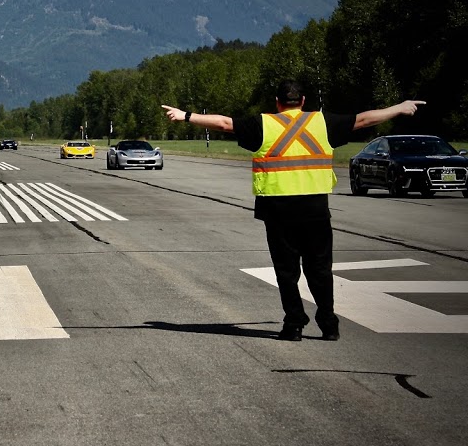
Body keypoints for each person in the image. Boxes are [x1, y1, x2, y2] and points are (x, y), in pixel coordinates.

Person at [161, 81, 425, 342]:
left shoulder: (263, 125)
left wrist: (186, 116)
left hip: (278, 211)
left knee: (286, 272)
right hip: (315, 211)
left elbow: (224, 124)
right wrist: (399, 107)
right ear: (302, 101)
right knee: (320, 269)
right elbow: (364, 120)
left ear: (277, 103)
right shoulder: (322, 123)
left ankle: (294, 324)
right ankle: (329, 324)